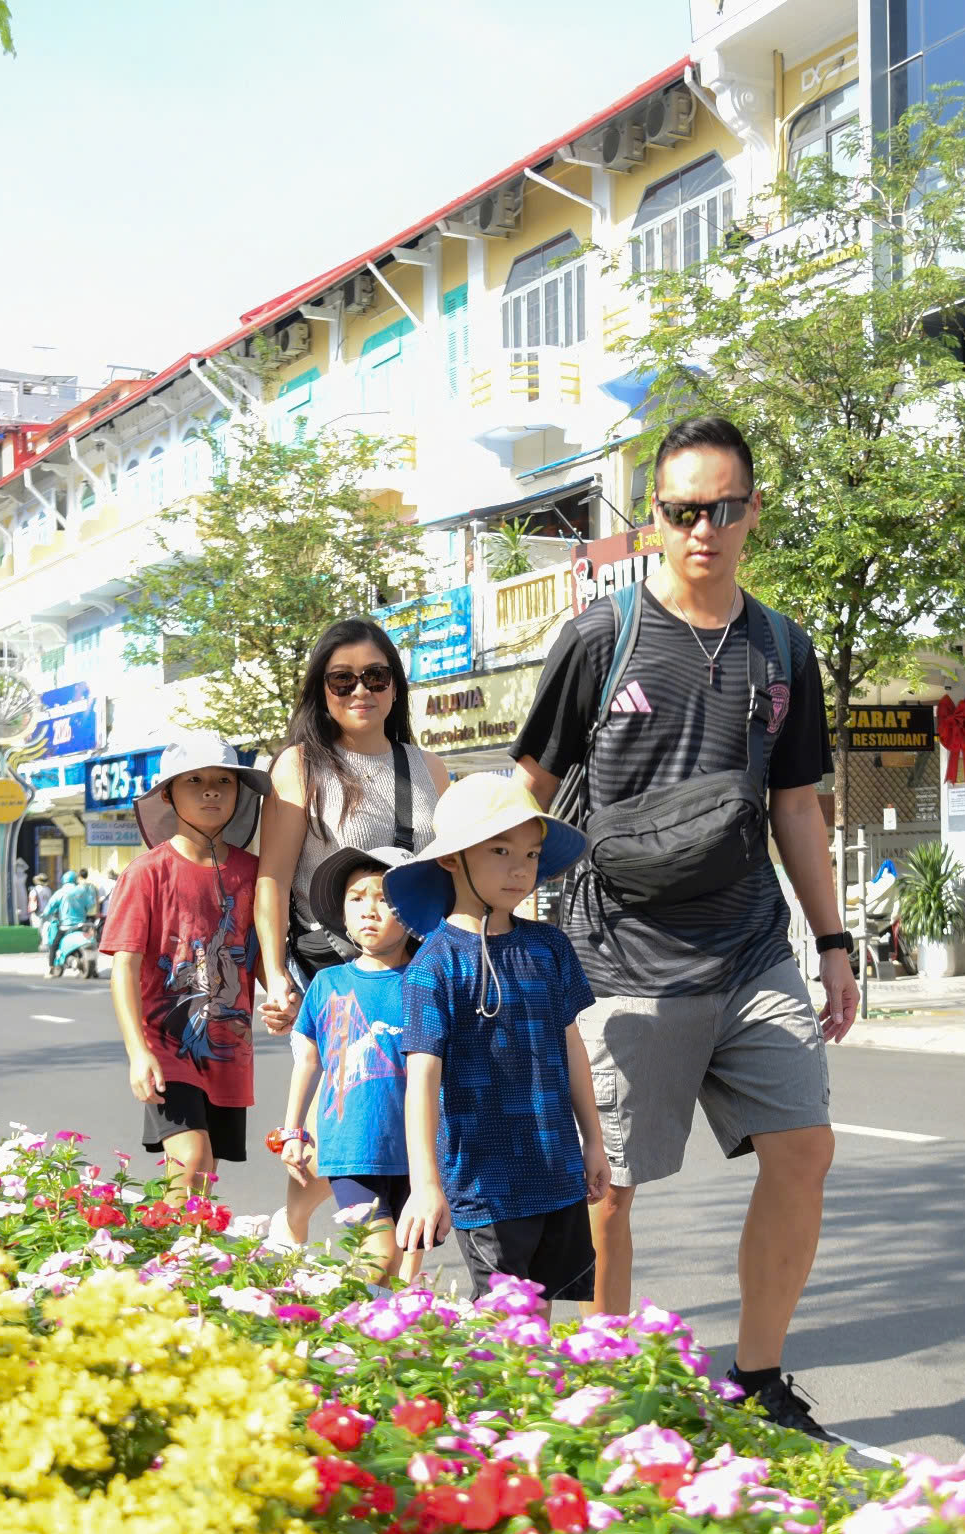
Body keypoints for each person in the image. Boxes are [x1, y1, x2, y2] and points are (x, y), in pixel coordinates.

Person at [512, 414, 858, 1441]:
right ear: (651, 518)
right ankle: (605, 1391)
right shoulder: (596, 636)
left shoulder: (782, 646)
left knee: (804, 1147)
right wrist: (505, 931)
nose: (702, 527)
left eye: (723, 507)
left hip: (750, 943)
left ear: (754, 511)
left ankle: (758, 1377)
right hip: (616, 954)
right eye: (680, 510)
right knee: (607, 1190)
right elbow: (525, 790)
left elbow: (795, 804)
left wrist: (832, 944)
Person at [253, 618, 449, 1241]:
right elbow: (274, 878)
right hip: (331, 964)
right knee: (342, 1109)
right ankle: (297, 1224)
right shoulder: (301, 765)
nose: (359, 690)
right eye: (342, 679)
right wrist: (276, 975)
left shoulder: (429, 767)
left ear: (395, 688)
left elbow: (447, 872)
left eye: (375, 676)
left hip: (413, 961)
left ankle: (399, 1269)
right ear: (322, 690)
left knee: (404, 1105)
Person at [385, 774, 608, 1315]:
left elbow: (572, 1047)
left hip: (555, 1168)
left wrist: (594, 1141)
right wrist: (424, 1184)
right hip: (485, 1181)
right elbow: (422, 1079)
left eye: (531, 854)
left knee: (541, 1314)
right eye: (500, 850)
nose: (519, 869)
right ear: (452, 859)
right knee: (510, 1320)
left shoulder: (550, 946)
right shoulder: (434, 965)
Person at [103, 734, 268, 1200]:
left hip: (228, 1046)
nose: (210, 790)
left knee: (206, 1170)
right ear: (169, 795)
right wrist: (138, 1052)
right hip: (168, 1043)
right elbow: (124, 967)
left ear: (239, 794)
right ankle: (174, 1265)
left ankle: (184, 1257)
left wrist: (280, 992)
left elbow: (260, 950)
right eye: (194, 781)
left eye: (223, 781)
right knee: (191, 1158)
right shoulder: (146, 872)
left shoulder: (255, 872)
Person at [275, 844, 420, 1278]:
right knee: (376, 1253)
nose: (369, 910)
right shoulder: (328, 982)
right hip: (352, 1148)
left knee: (401, 1264)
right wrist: (292, 1131)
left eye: (384, 899)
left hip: (416, 1151)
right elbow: (308, 1061)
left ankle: (373, 1340)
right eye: (357, 898)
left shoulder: (429, 981)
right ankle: (331, 1323)